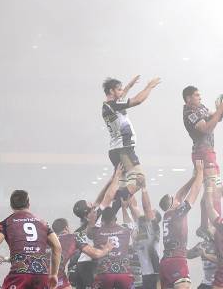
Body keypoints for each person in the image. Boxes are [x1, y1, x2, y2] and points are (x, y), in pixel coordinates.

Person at [0, 190, 62, 289]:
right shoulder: (43, 223)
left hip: (19, 275)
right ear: (29, 203)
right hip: (41, 274)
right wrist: (54, 274)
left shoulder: (5, 223)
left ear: (11, 205)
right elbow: (57, 247)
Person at [102, 75, 161, 204]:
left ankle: (109, 211)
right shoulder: (113, 105)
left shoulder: (108, 105)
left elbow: (122, 96)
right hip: (124, 150)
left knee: (122, 185)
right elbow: (138, 100)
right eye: (119, 89)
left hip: (116, 150)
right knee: (139, 179)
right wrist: (149, 86)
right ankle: (110, 200)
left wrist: (129, 86)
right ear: (111, 91)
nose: (122, 92)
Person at [182, 85, 223, 228]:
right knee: (214, 190)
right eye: (197, 95)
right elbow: (206, 128)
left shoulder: (200, 107)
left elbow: (214, 117)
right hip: (203, 152)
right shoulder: (189, 113)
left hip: (206, 152)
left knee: (209, 191)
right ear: (188, 98)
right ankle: (216, 227)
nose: (200, 97)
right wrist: (220, 111)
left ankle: (204, 227)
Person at [71, 165, 124, 288]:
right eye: (89, 204)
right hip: (90, 264)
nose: (92, 203)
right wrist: (117, 178)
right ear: (87, 211)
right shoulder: (95, 216)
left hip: (82, 264)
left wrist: (110, 180)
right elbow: (108, 197)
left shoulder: (84, 223)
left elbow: (99, 199)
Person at [158, 161, 204, 289]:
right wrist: (200, 173)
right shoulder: (178, 213)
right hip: (176, 261)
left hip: (165, 262)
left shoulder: (168, 215)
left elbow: (180, 194)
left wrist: (192, 178)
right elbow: (194, 192)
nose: (178, 199)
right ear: (172, 204)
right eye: (174, 199)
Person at [51, 218, 114, 289]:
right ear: (66, 227)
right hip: (59, 276)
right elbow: (95, 254)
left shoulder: (48, 239)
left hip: (41, 273)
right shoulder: (72, 237)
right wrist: (107, 249)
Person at [126, 183, 162, 289]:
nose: (150, 211)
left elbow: (146, 207)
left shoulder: (154, 226)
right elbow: (133, 206)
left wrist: (143, 188)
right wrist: (130, 189)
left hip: (153, 273)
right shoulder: (141, 224)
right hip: (142, 273)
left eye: (152, 212)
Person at [89, 206, 134, 288]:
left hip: (105, 273)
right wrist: (124, 206)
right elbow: (129, 223)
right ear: (115, 218)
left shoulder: (96, 232)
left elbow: (89, 232)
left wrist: (92, 219)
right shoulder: (126, 231)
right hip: (124, 273)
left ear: (102, 220)